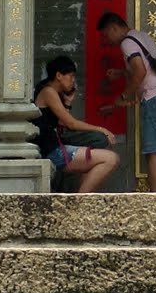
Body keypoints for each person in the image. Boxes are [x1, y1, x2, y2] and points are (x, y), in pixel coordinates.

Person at [99, 11, 156, 193]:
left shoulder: (126, 43)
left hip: (155, 99)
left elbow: (140, 71)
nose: (108, 40)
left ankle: (154, 200)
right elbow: (148, 66)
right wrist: (122, 73)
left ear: (114, 27)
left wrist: (124, 96)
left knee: (153, 152)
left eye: (107, 34)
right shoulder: (142, 36)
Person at [34, 55, 119, 194]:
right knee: (111, 159)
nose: (73, 81)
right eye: (71, 76)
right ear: (59, 75)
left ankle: (80, 196)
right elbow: (70, 123)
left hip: (54, 146)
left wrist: (67, 102)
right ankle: (80, 200)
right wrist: (102, 129)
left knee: (98, 142)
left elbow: (61, 122)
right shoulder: (48, 92)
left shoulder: (54, 92)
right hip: (52, 150)